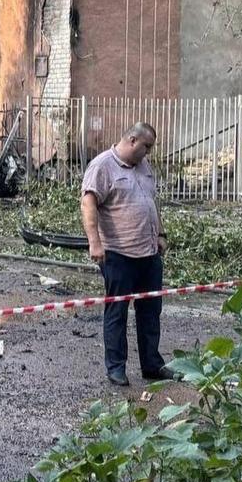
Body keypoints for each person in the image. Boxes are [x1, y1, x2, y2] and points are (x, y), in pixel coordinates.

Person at [80, 122, 174, 386]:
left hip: (148, 254)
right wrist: (94, 242)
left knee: (151, 311)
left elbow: (151, 201)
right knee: (117, 312)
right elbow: (88, 203)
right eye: (147, 147)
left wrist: (161, 234)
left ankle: (151, 365)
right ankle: (116, 368)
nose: (148, 152)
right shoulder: (102, 166)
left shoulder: (144, 167)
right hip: (118, 254)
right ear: (132, 140)